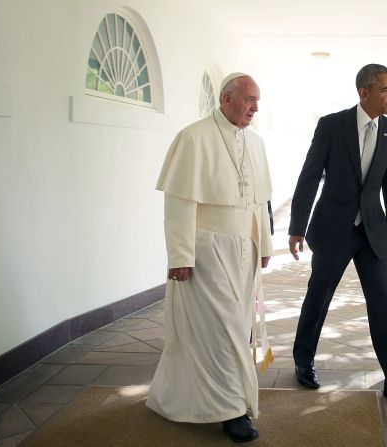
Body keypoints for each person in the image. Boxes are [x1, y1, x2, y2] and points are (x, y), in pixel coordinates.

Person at [288, 63, 387, 408]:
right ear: (363, 92)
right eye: (386, 90)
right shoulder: (331, 125)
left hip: (371, 231)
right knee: (318, 298)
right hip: (332, 228)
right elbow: (310, 176)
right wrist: (297, 226)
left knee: (383, 305)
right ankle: (303, 360)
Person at [147, 72, 273, 443]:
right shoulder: (193, 136)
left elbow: (259, 202)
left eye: (257, 101)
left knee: (237, 326)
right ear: (226, 99)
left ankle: (209, 398)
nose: (254, 107)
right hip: (206, 247)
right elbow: (180, 202)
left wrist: (263, 245)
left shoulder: (257, 143)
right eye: (249, 99)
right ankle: (232, 410)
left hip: (243, 248)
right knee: (222, 331)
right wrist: (180, 255)